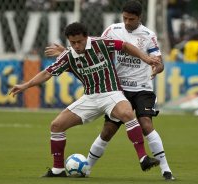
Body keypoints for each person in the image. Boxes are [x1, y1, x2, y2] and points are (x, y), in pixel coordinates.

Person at [10, 22, 160, 177]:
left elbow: (125, 46)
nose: (76, 45)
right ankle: (58, 170)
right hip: (90, 98)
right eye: (72, 43)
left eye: (79, 41)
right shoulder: (67, 56)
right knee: (56, 126)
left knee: (128, 114)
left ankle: (143, 158)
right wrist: (26, 85)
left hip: (111, 93)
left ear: (86, 38)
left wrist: (146, 58)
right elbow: (47, 73)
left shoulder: (100, 44)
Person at [45, 0, 175, 180]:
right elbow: (95, 47)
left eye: (131, 19)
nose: (127, 22)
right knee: (107, 131)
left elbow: (158, 62)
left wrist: (156, 68)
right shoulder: (113, 29)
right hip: (118, 89)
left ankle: (166, 170)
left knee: (146, 123)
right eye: (125, 18)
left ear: (140, 17)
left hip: (142, 88)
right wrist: (67, 51)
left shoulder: (148, 35)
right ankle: (86, 168)